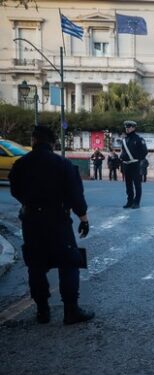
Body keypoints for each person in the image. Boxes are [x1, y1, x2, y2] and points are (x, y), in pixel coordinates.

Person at [8, 125, 94, 325]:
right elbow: (76, 195)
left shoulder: (20, 164)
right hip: (58, 220)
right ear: (53, 143)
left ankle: (42, 311)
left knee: (36, 265)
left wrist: (29, 203)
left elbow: (15, 190)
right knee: (69, 262)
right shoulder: (63, 164)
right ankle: (70, 311)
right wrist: (83, 218)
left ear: (33, 140)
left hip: (31, 221)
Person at [120, 120, 148, 209]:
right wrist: (122, 157)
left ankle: (136, 202)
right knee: (128, 185)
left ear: (134, 128)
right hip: (126, 165)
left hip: (135, 164)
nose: (127, 129)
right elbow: (123, 151)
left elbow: (144, 151)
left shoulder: (139, 139)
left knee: (137, 184)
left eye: (129, 127)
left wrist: (137, 159)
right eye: (126, 127)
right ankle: (129, 201)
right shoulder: (124, 139)